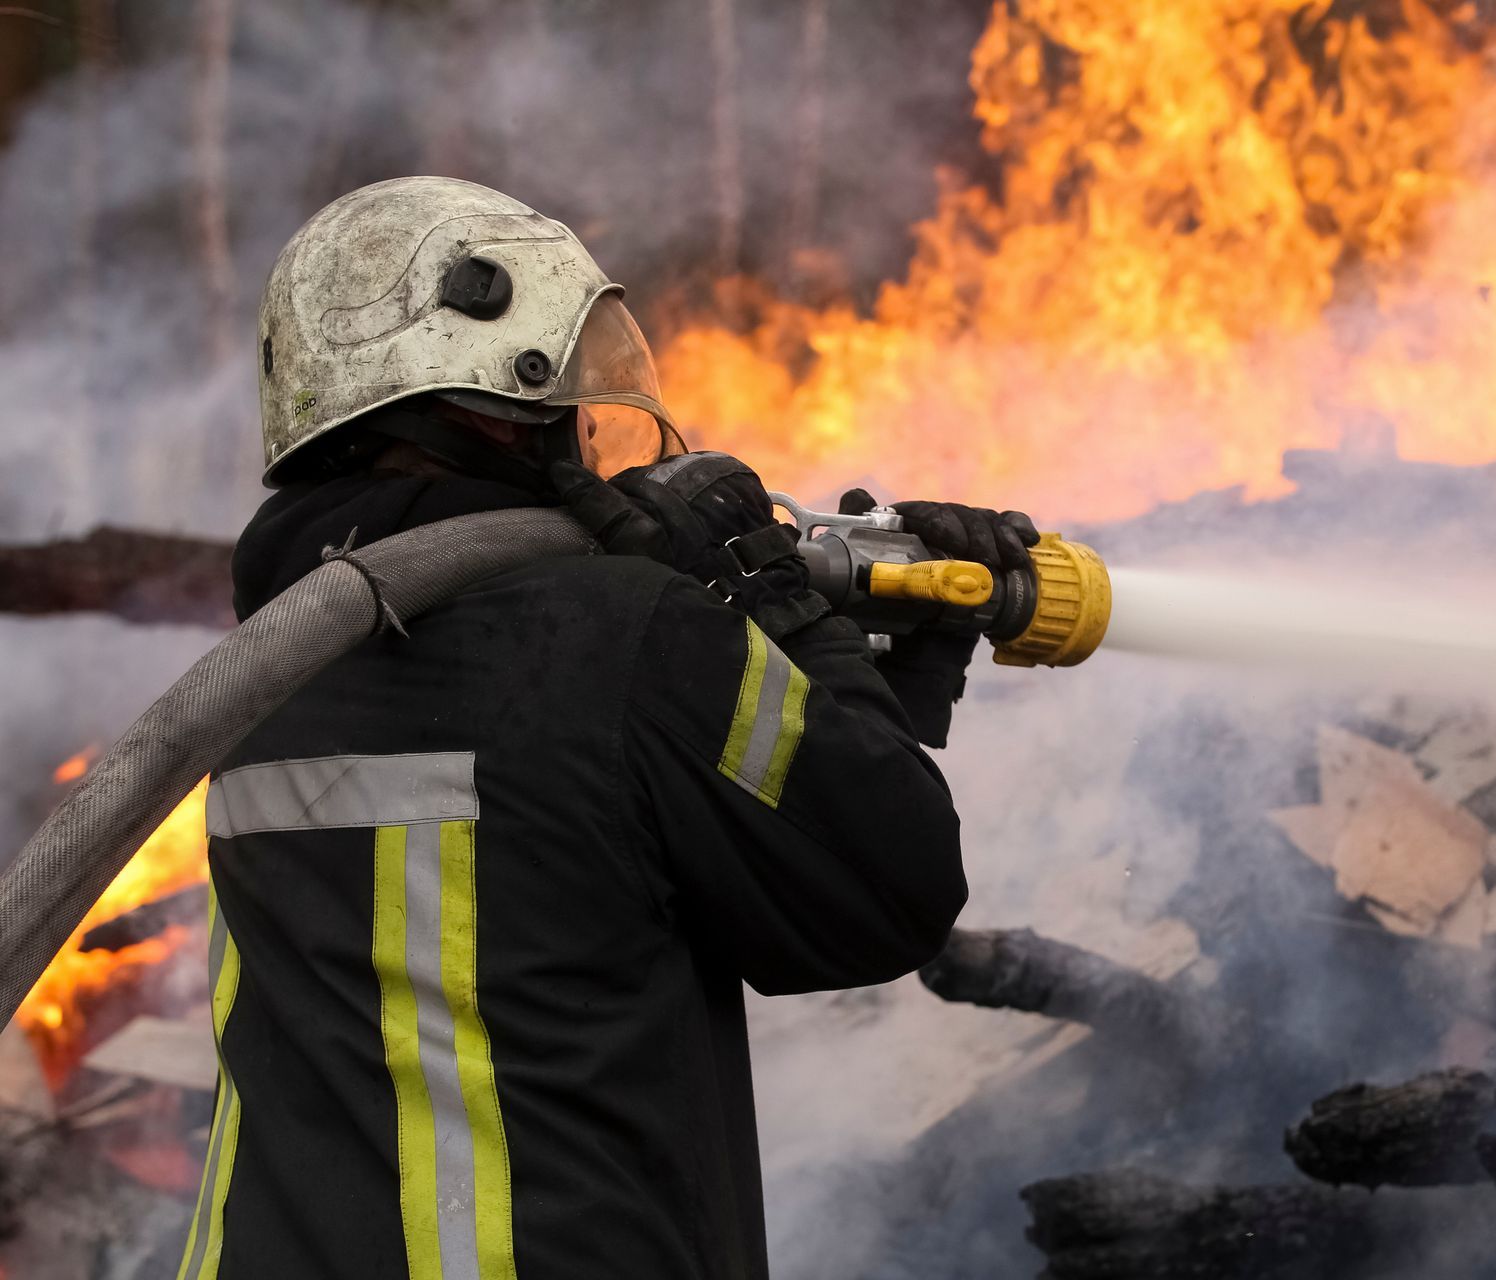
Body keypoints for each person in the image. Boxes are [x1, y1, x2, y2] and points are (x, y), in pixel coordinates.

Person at [178, 175, 1033, 1279]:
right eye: (563, 401)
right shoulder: (624, 639)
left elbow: (588, 860)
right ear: (494, 403)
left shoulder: (260, 677)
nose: (582, 437)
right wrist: (774, 607)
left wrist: (871, 680)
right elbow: (885, 892)